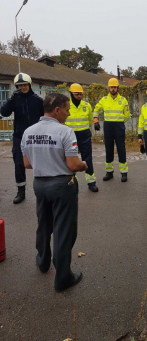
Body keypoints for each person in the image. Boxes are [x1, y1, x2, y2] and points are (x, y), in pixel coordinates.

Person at [21, 93, 88, 292]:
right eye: (67, 109)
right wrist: (84, 165)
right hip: (62, 186)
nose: (68, 113)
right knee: (63, 231)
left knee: (43, 224)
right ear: (57, 110)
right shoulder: (65, 132)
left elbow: (26, 163)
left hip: (40, 185)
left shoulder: (28, 131)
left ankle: (42, 261)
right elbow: (73, 164)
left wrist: (45, 162)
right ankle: (63, 278)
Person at [0, 73, 44, 204]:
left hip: (36, 136)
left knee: (40, 163)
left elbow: (45, 116)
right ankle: (21, 191)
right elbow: (4, 112)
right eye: (19, 85)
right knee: (19, 163)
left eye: (24, 85)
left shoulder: (38, 100)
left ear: (29, 85)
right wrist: (11, 99)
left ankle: (42, 190)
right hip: (19, 136)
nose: (22, 87)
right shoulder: (14, 99)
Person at [93, 78, 131, 181]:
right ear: (109, 88)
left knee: (121, 149)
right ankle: (109, 172)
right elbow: (96, 109)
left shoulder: (123, 100)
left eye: (114, 87)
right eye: (111, 87)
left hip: (119, 127)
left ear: (118, 88)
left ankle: (124, 173)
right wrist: (95, 121)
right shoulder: (104, 99)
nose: (113, 89)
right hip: (108, 127)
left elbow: (127, 115)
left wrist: (120, 121)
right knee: (108, 149)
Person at [65, 83, 98, 192]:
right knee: (70, 158)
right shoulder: (65, 105)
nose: (79, 96)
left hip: (84, 134)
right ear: (71, 94)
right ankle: (71, 181)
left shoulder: (86, 105)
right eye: (76, 94)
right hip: (70, 136)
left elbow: (89, 120)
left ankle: (91, 181)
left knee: (87, 157)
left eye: (80, 94)